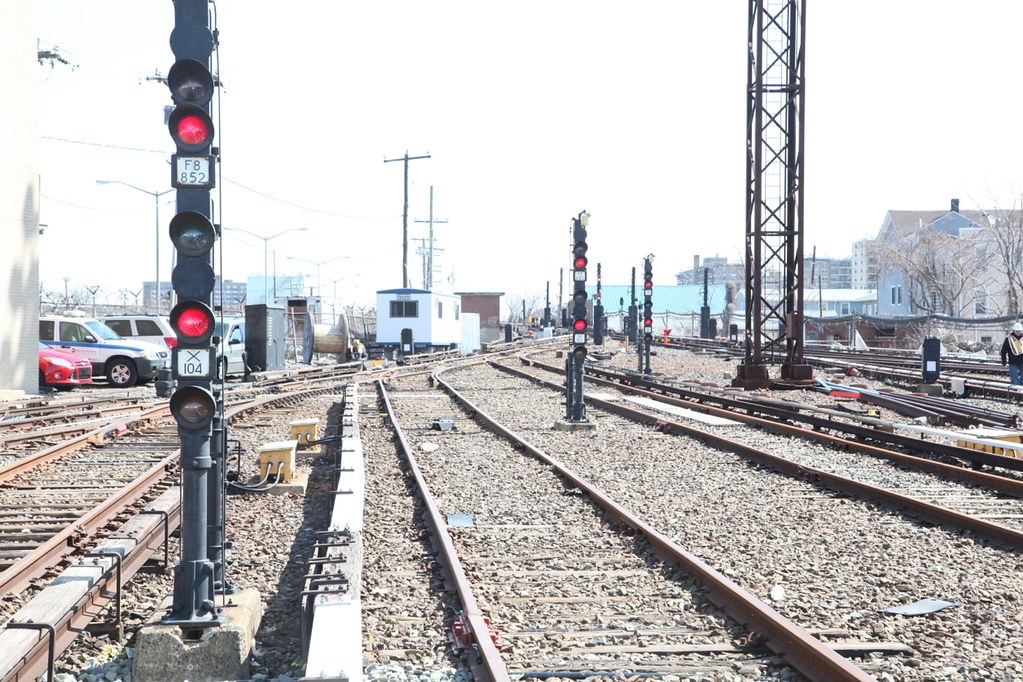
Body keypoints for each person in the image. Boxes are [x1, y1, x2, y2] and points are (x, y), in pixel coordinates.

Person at [1000, 322, 1023, 386]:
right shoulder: (1008, 339)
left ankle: (1021, 388)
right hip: (1013, 362)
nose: (1018, 332)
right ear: (1014, 330)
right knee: (1014, 378)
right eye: (1017, 331)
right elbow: (1003, 351)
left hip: (1022, 361)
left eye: (1020, 331)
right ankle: (1016, 392)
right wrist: (1004, 361)